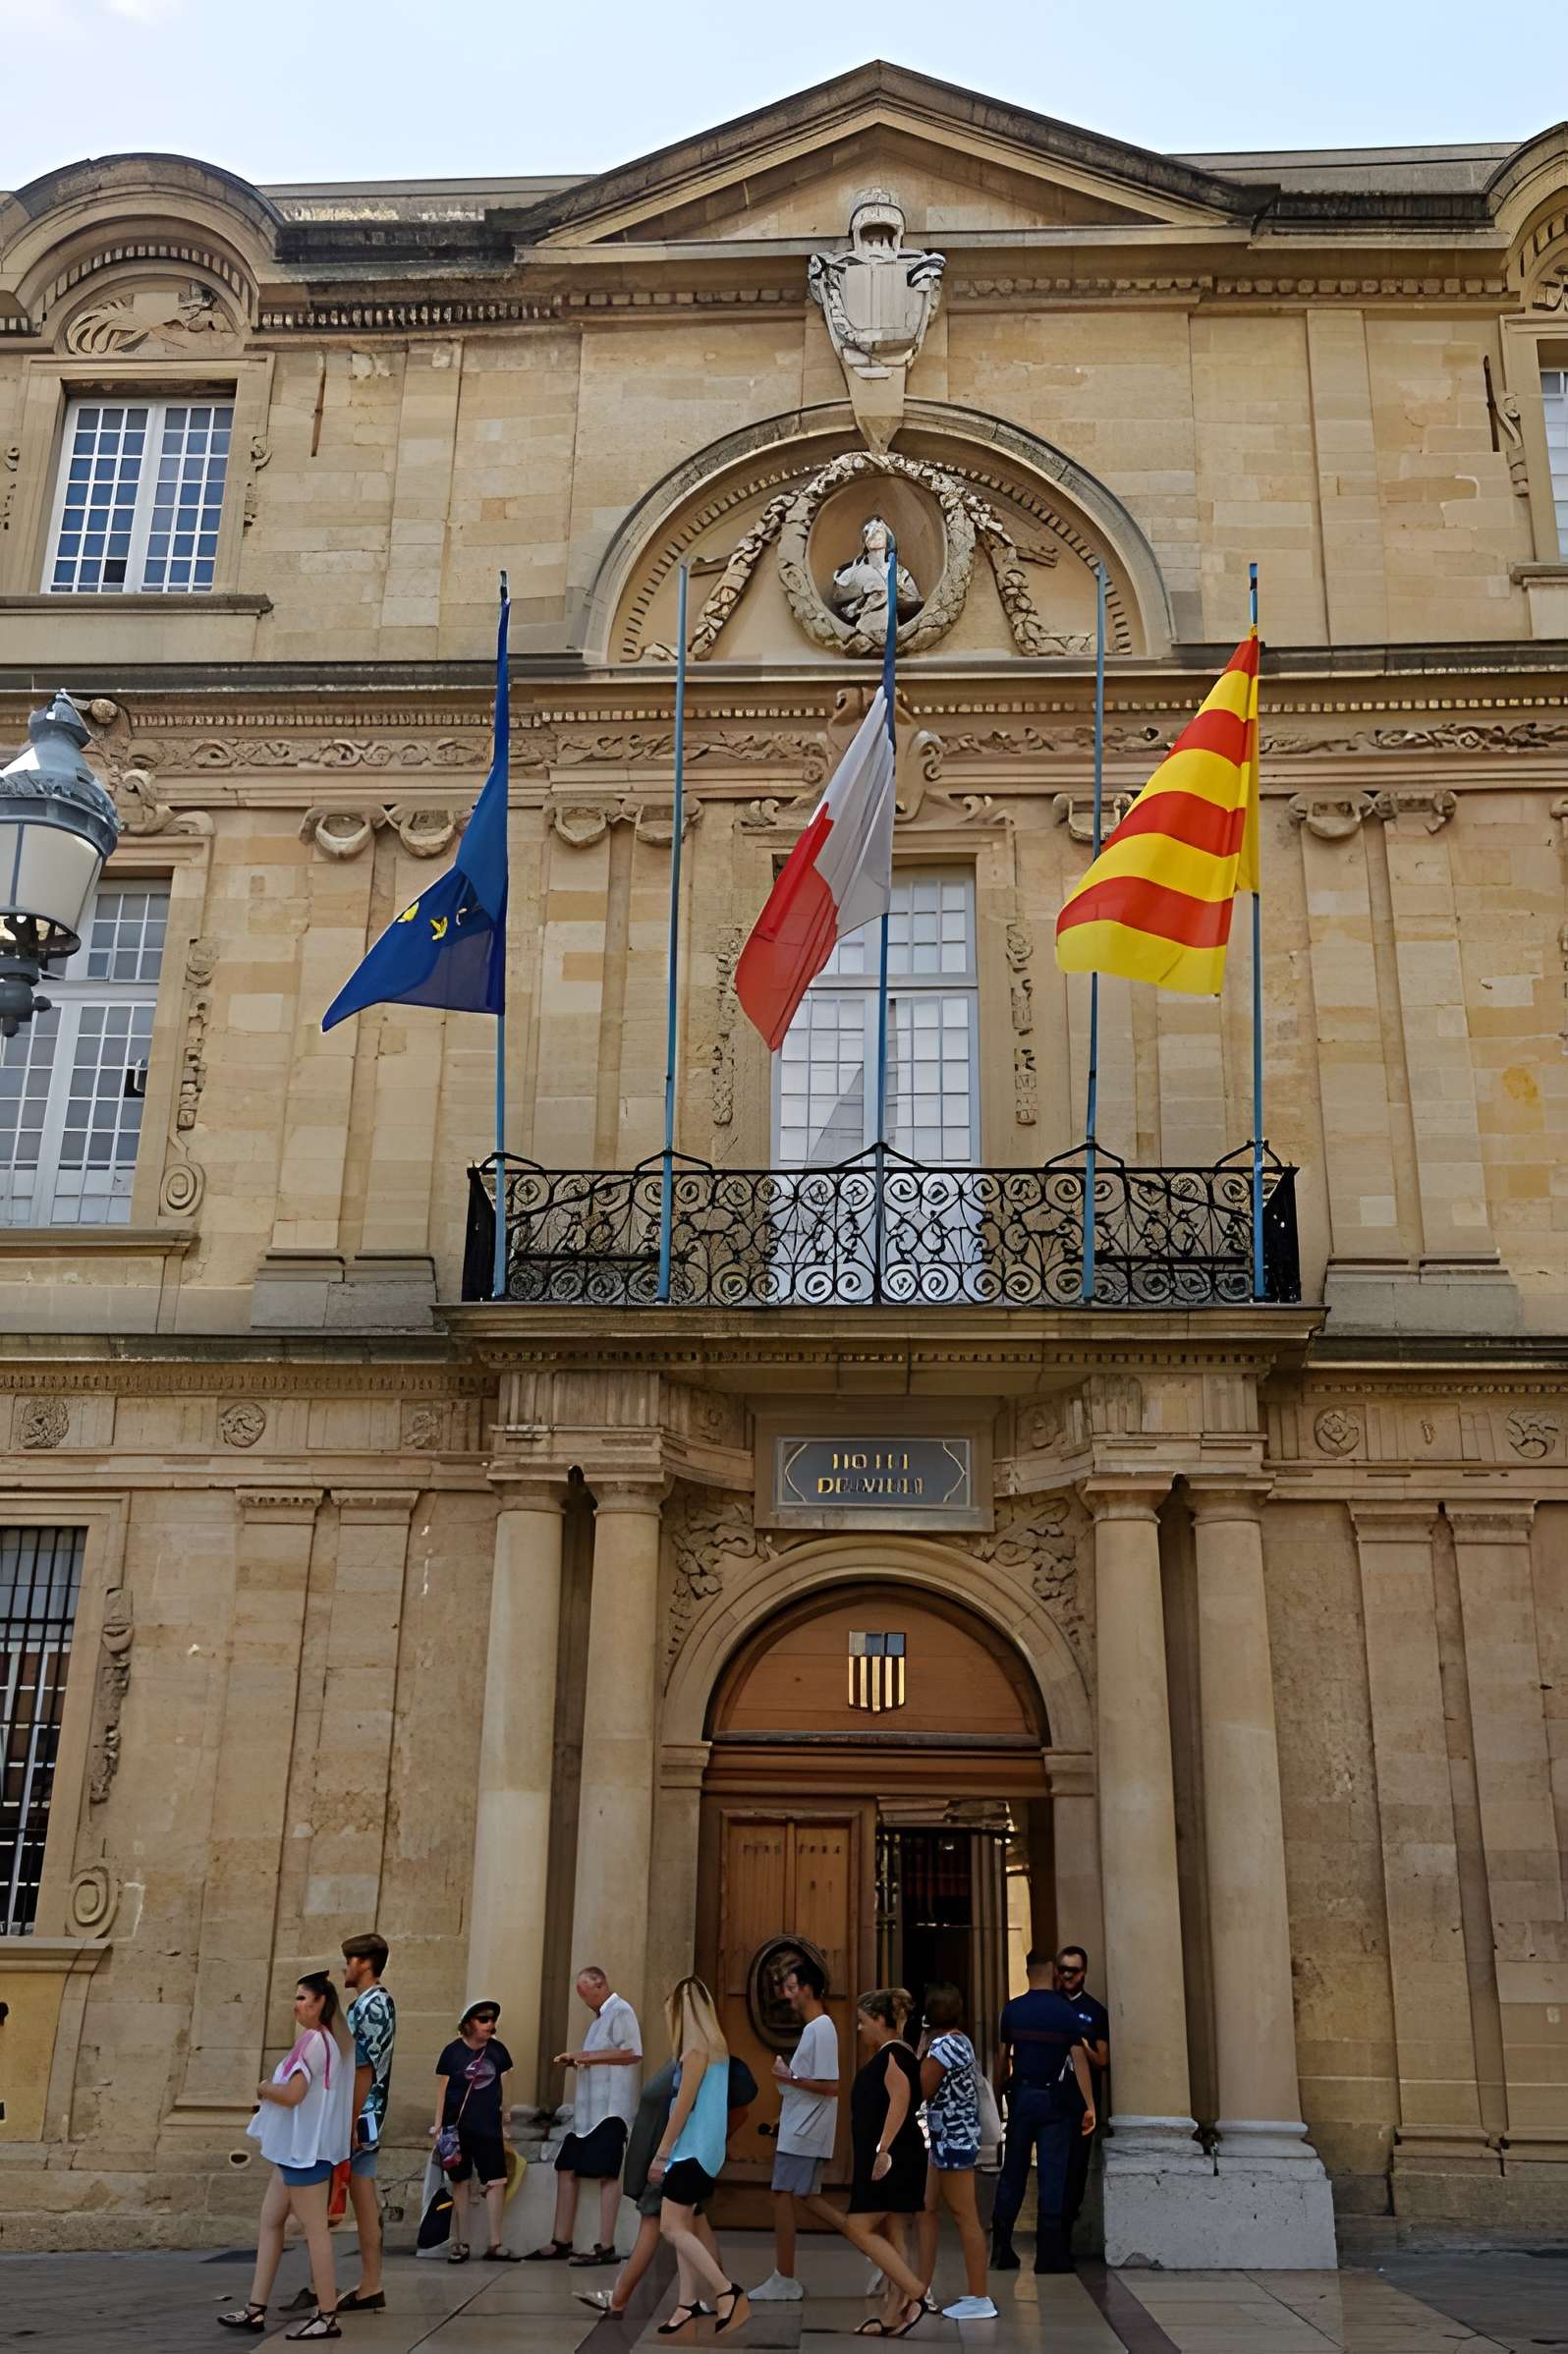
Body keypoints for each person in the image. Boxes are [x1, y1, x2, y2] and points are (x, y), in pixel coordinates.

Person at [219, 1972, 353, 2338]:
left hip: (303, 2153)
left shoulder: (314, 2041)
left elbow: (293, 2094)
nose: (295, 2005)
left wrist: (264, 2088)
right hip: (296, 2152)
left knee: (315, 2232)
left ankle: (327, 2316)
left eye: (301, 1998)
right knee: (271, 2221)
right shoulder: (325, 2042)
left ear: (320, 2003)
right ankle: (255, 2309)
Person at [577, 2049, 757, 2322]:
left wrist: (667, 2155)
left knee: (658, 2223)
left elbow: (729, 2112)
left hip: (673, 2158)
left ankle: (622, 2298)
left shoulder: (700, 2059)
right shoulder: (687, 2057)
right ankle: (709, 2298)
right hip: (673, 2156)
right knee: (694, 2222)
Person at [647, 1977, 751, 2338]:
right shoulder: (717, 2052)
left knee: (671, 2227)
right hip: (705, 2151)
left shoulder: (695, 2053)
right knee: (685, 2226)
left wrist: (660, 2154)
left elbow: (682, 2108)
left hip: (689, 2152)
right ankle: (686, 2304)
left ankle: (726, 2291)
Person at [990, 1949, 1094, 2275]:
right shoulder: (1065, 2013)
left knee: (1014, 2172)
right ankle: (1050, 2255)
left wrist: (997, 2094)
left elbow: (1002, 2057)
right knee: (1053, 2172)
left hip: (1022, 2099)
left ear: (1027, 1971)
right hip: (1056, 2103)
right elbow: (1079, 2062)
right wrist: (1089, 2105)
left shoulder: (1013, 2011)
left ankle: (1002, 2247)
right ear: (1051, 1970)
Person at [530, 1967, 642, 2266]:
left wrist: (585, 2057)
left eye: (584, 1990)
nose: (582, 1997)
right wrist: (576, 2060)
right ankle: (561, 2239)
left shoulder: (621, 2011)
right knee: (566, 2166)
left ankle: (605, 2245)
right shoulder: (598, 2022)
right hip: (587, 2113)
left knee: (607, 2172)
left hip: (610, 2111)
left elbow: (632, 2052)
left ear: (600, 1984)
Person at [751, 1956, 841, 2304]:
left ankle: (785, 2277)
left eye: (791, 1988)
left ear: (807, 1989)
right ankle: (869, 2243)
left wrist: (789, 2078)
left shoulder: (821, 2028)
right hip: (800, 2126)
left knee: (784, 2196)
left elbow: (830, 2085)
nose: (788, 1997)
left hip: (805, 2131)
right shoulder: (817, 2029)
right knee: (803, 2197)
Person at [916, 1984, 996, 2322]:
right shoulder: (960, 2041)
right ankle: (921, 2285)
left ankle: (980, 2297)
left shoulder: (942, 2049)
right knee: (927, 2208)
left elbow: (922, 2087)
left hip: (952, 2141)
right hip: (950, 2139)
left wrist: (921, 2048)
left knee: (966, 2217)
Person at [433, 1999, 519, 2265]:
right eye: (484, 2019)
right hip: (456, 2128)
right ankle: (461, 2242)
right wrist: (438, 2127)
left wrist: (506, 2122)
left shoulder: (498, 2051)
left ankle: (496, 2242)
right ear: (469, 2022)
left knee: (495, 2181)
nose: (490, 2024)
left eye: (492, 2019)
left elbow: (506, 2087)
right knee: (459, 2182)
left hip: (488, 2127)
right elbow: (443, 2090)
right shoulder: (452, 2052)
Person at [338, 1932, 395, 2315]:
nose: (344, 1967)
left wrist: (352, 2123)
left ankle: (370, 2283)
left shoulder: (372, 2006)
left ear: (363, 1964)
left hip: (361, 2116)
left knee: (361, 2197)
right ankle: (366, 2283)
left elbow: (364, 2067)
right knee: (361, 2197)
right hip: (364, 2115)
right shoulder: (370, 2003)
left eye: (349, 1961)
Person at [1054, 1943, 1110, 2246]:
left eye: (1072, 1971)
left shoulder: (1094, 2011)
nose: (1066, 1976)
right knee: (1053, 2164)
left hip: (1080, 2102)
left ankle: (1066, 2232)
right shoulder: (1050, 2004)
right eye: (1061, 1969)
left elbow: (1103, 2061)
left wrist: (1080, 2044)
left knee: (1076, 2167)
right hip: (1052, 2097)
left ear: (1084, 1972)